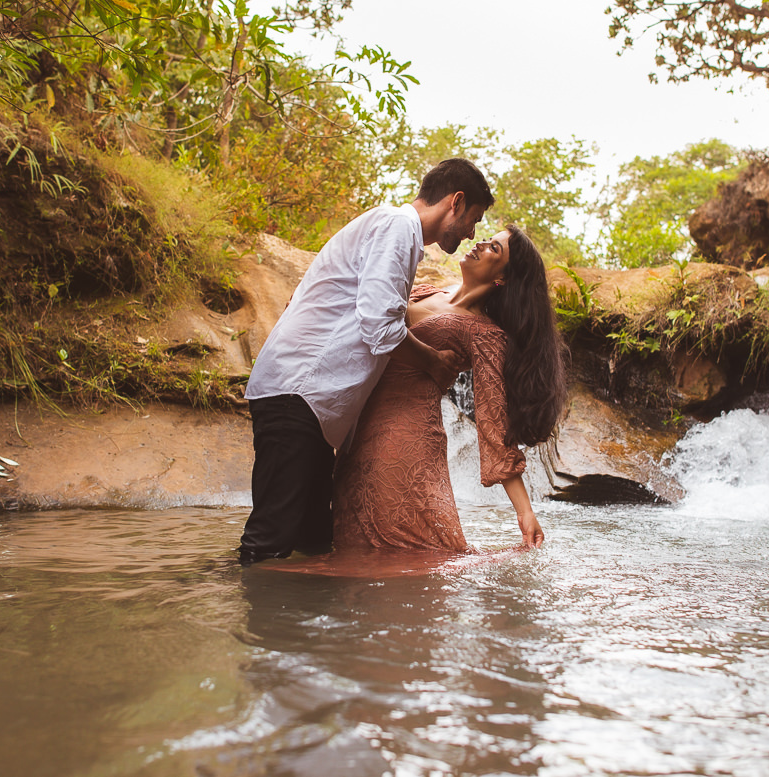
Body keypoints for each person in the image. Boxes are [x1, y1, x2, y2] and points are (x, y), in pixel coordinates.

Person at [239, 158, 495, 565]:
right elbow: (379, 325)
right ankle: (209, 602)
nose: (471, 234)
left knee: (315, 541)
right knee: (270, 540)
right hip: (298, 392)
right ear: (456, 202)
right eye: (474, 220)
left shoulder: (397, 234)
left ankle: (293, 628)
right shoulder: (397, 227)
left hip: (313, 408)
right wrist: (432, 361)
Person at [331, 224, 568, 553]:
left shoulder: (484, 333)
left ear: (503, 278)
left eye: (494, 249)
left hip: (405, 436)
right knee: (350, 536)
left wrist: (525, 511)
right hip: (358, 428)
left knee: (402, 544)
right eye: (487, 240)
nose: (481, 245)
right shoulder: (427, 291)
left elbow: (493, 420)